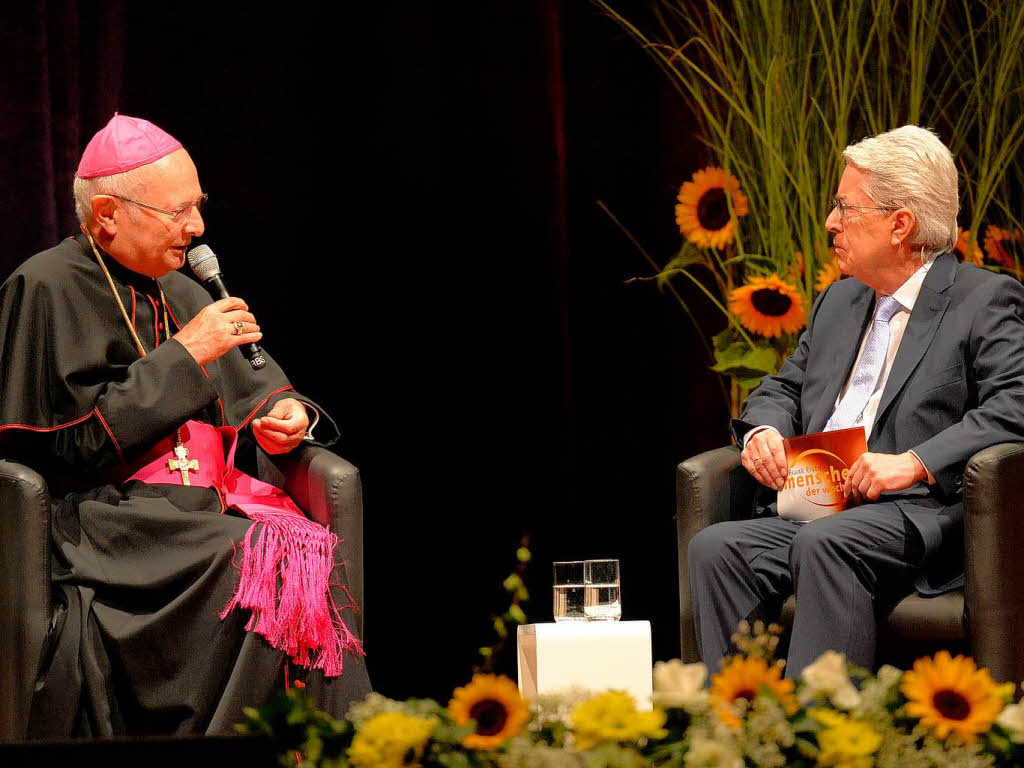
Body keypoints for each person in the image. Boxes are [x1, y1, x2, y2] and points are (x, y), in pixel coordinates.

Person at [0, 114, 370, 736]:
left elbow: (263, 392)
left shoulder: (186, 289)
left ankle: (335, 747)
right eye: (178, 213)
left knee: (302, 564)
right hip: (108, 519)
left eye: (197, 206)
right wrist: (185, 356)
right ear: (109, 214)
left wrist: (287, 417)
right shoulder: (43, 286)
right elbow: (69, 445)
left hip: (199, 513)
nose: (197, 229)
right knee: (264, 562)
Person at [687, 125, 1024, 678]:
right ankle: (737, 739)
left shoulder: (982, 299)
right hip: (820, 503)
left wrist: (913, 463)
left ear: (900, 223)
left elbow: (1014, 402)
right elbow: (783, 387)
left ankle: (827, 740)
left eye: (845, 207)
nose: (830, 223)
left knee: (826, 542)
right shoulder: (839, 302)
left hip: (917, 514)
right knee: (716, 549)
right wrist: (762, 432)